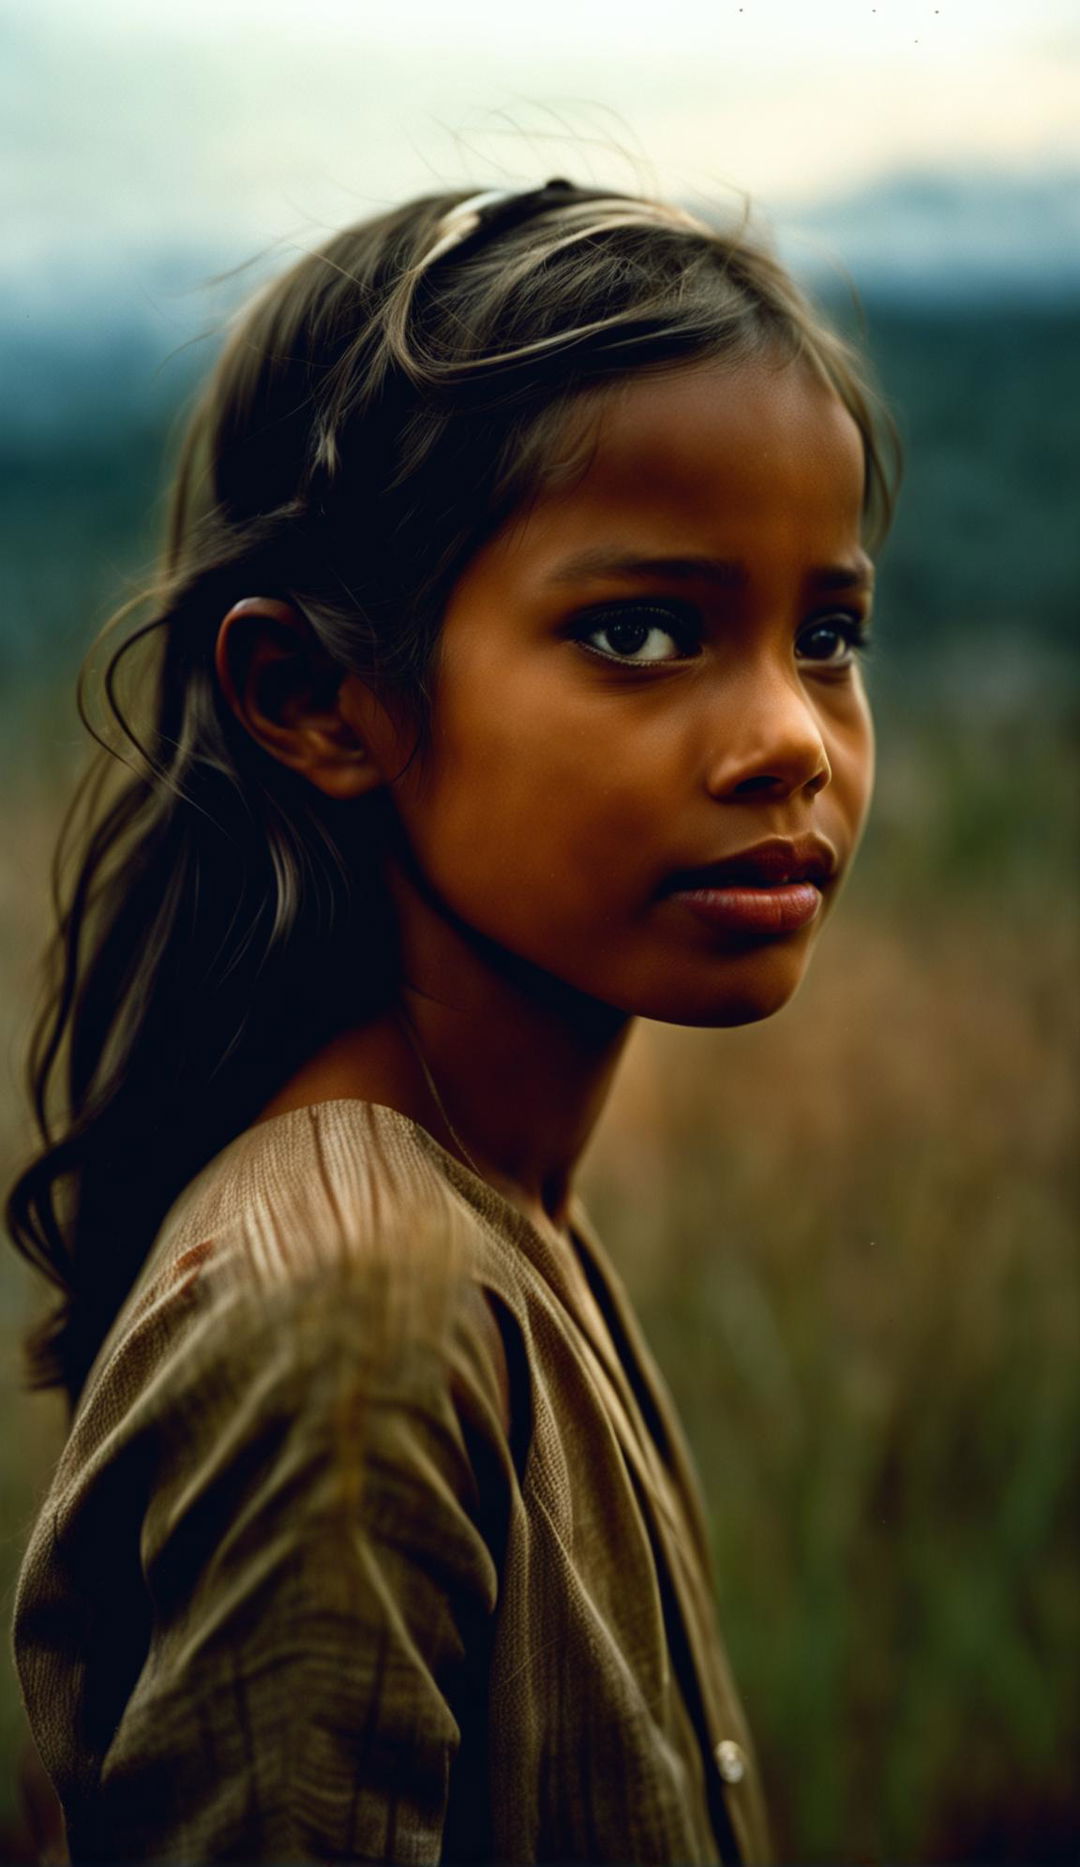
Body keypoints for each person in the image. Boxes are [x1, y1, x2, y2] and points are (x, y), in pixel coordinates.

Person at [6, 177, 897, 1865]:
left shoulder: (502, 1216)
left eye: (830, 632)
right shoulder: (351, 1320)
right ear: (318, 702)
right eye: (642, 631)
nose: (792, 735)